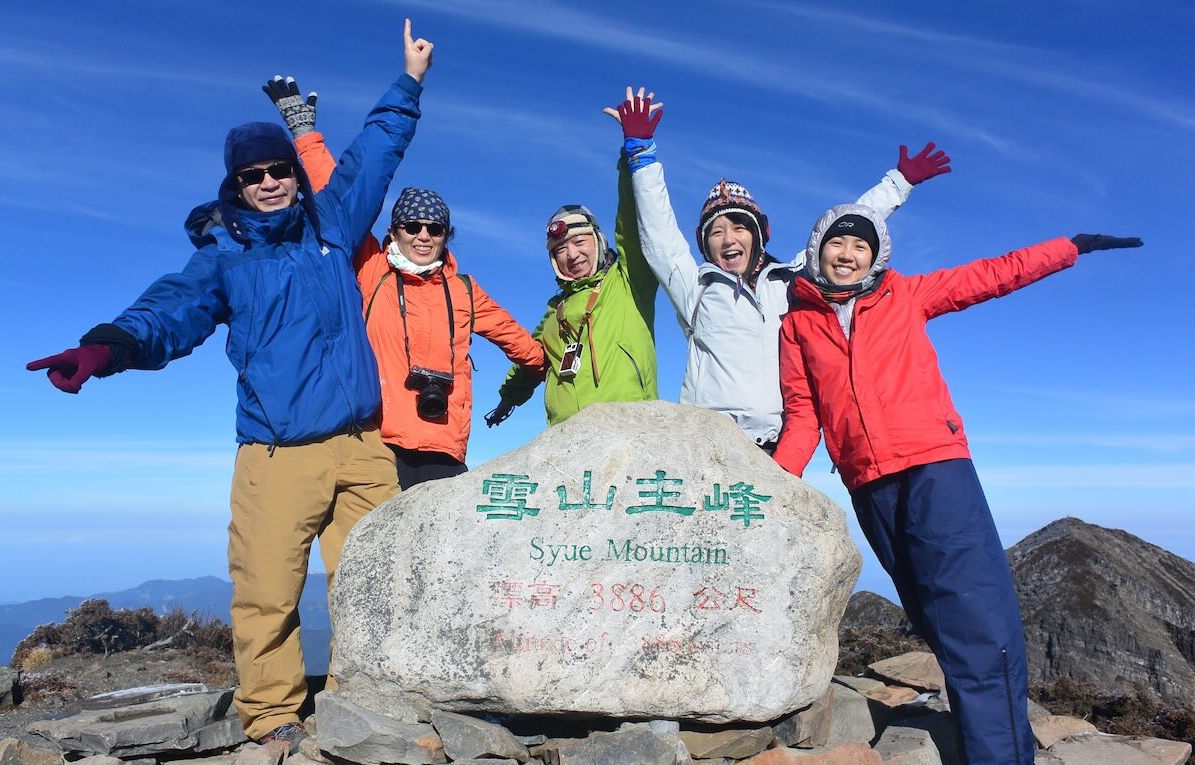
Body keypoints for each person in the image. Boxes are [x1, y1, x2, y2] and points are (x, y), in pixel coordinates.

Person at [25, 20, 435, 747]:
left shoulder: (332, 224)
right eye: (254, 176)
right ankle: (274, 716)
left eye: (279, 170)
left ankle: (359, 698)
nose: (271, 182)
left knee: (376, 587)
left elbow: (376, 151)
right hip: (277, 455)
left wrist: (408, 82)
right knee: (268, 593)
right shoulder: (224, 258)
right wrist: (106, 348)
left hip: (365, 447)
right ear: (235, 186)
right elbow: (171, 310)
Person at [772, 202, 1142, 765]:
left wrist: (1069, 247)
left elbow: (996, 273)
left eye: (861, 246)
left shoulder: (907, 295)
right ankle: (990, 762)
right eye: (839, 243)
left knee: (977, 623)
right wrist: (772, 488)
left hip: (936, 471)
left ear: (877, 257)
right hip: (869, 485)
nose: (848, 254)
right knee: (936, 623)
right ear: (818, 251)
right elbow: (801, 417)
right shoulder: (796, 326)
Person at [606, 87, 950, 450]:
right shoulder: (695, 286)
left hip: (775, 446)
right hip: (702, 445)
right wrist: (642, 156)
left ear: (759, 235)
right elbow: (659, 235)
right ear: (703, 243)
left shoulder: (792, 281)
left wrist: (898, 183)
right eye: (716, 232)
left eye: (739, 227)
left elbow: (841, 229)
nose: (727, 239)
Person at [263, 79, 546, 488]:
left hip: (443, 448)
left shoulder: (464, 290)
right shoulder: (373, 270)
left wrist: (555, 374)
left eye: (435, 228)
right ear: (394, 232)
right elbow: (338, 194)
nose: (423, 235)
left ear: (447, 236)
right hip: (378, 443)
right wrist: (305, 134)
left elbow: (523, 346)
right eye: (412, 226)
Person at [485, 133, 658, 427]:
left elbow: (631, 225)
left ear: (599, 242)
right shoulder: (555, 313)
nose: (571, 254)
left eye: (580, 241)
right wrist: (507, 399)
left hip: (630, 431)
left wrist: (632, 161)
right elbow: (530, 362)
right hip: (564, 439)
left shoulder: (629, 282)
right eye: (560, 249)